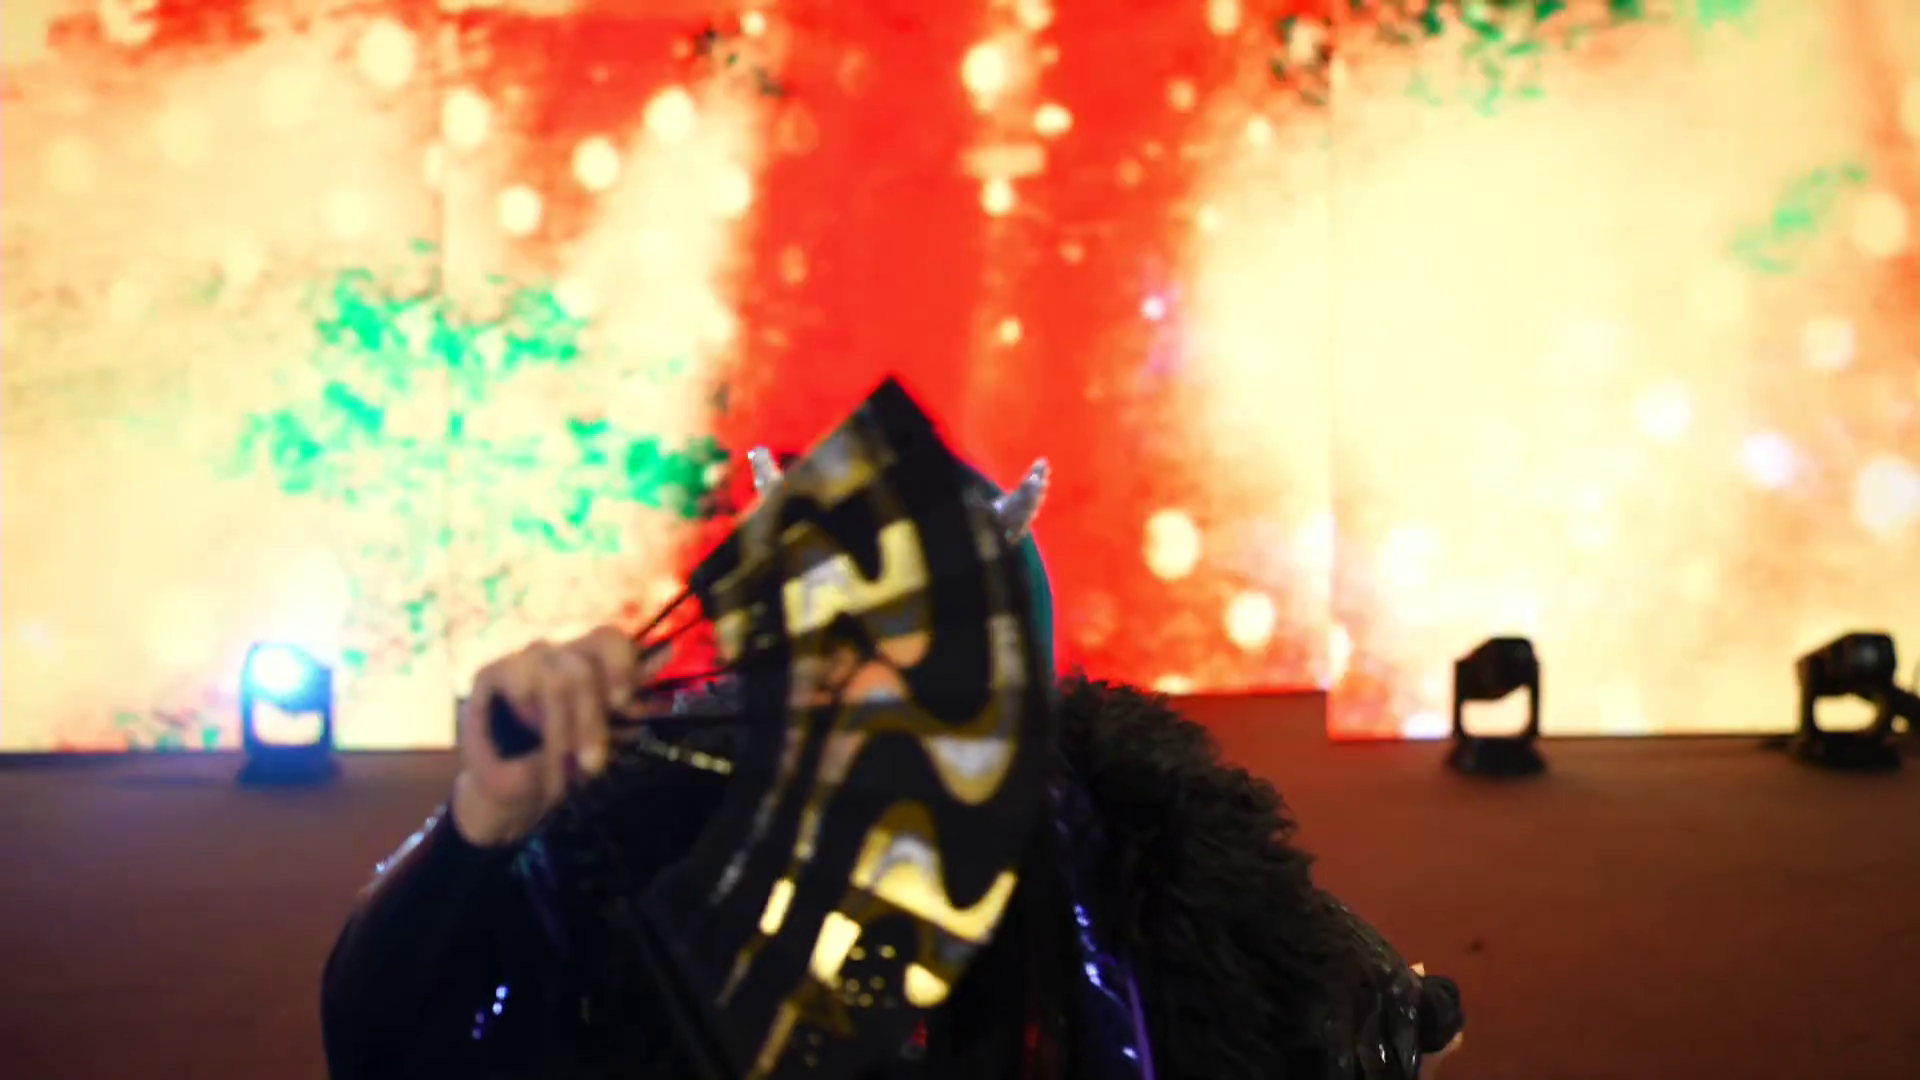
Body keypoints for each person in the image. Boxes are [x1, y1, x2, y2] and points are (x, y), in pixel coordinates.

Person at [320, 452, 1464, 1080]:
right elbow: (388, 1044)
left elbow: (1337, 1015)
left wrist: (1387, 1020)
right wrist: (481, 830)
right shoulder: (645, 865)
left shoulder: (1139, 873)